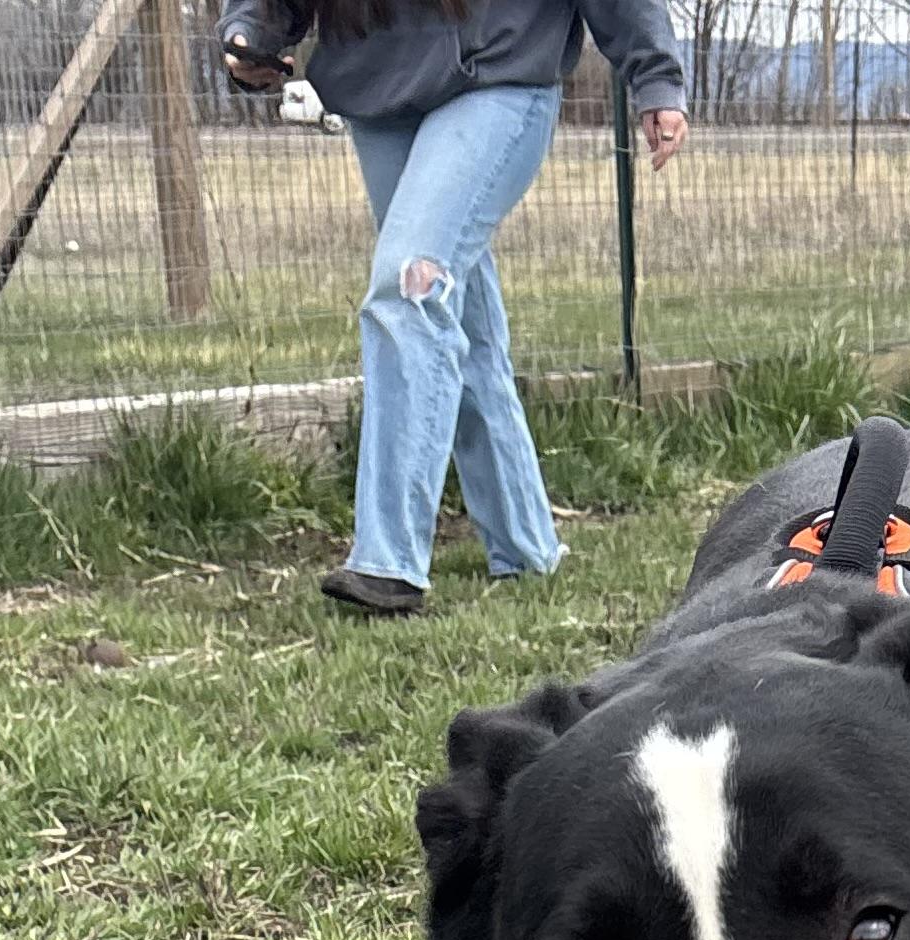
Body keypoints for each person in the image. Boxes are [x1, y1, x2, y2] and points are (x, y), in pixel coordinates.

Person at [219, 0, 687, 615]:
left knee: (410, 288)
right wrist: (250, 30)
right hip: (378, 76)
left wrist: (654, 75)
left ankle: (388, 563)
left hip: (498, 68)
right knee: (460, 320)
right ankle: (526, 547)